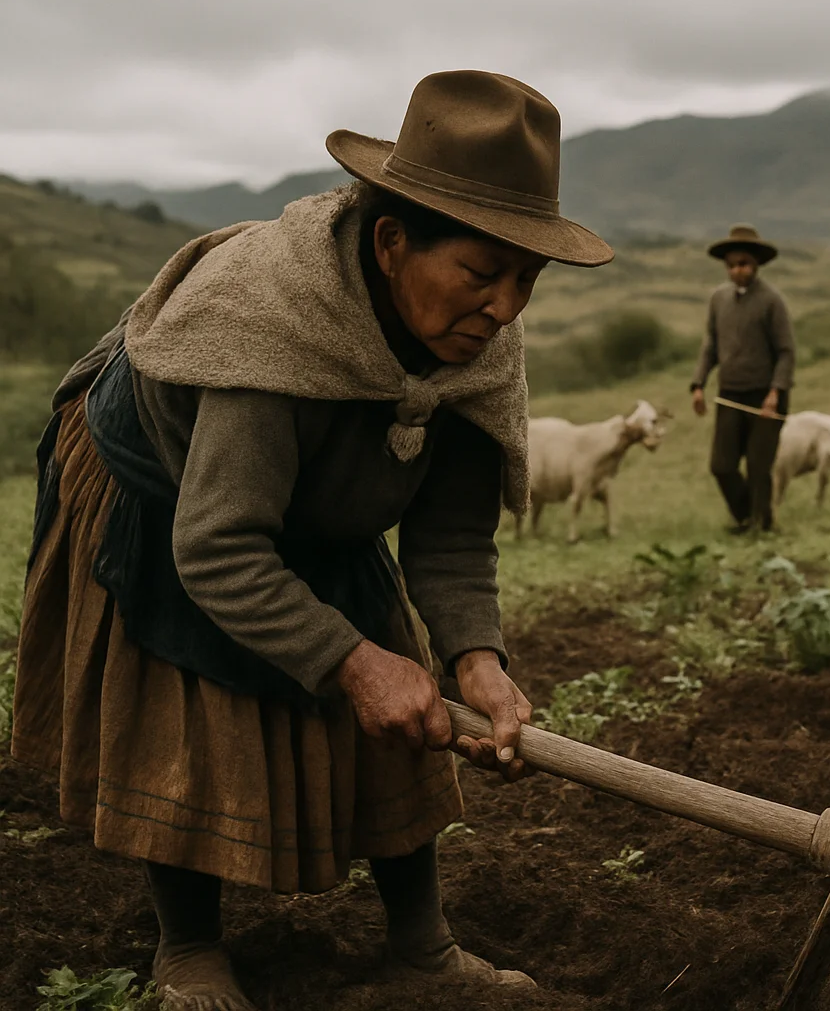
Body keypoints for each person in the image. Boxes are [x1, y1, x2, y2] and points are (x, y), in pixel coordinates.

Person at [10, 71, 614, 1009]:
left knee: (397, 677)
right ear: (391, 241)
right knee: (191, 691)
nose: (505, 308)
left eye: (526, 280)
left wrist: (476, 658)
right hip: (170, 491)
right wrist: (348, 662)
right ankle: (189, 948)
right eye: (482, 274)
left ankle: (423, 947)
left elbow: (450, 536)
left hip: (322, 491)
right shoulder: (264, 327)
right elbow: (217, 548)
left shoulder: (474, 336)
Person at [689, 224, 796, 532]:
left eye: (744, 264)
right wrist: (698, 384)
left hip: (766, 396)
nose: (738, 271)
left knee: (758, 466)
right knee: (721, 466)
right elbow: (710, 344)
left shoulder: (772, 301)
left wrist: (776, 392)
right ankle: (747, 517)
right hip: (730, 394)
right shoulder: (718, 299)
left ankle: (762, 525)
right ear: (726, 266)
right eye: (733, 265)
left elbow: (787, 352)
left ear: (756, 265)